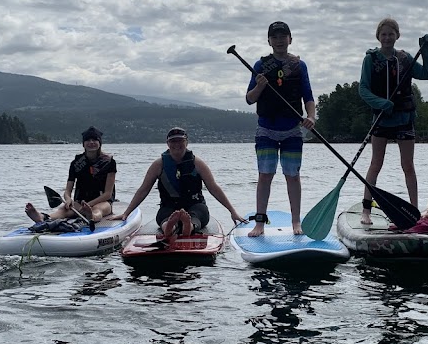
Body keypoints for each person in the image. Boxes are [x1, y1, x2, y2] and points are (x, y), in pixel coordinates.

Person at [358, 18, 428, 224]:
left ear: (397, 36)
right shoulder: (371, 59)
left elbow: (427, 74)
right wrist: (381, 103)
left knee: (408, 166)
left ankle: (414, 212)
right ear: (378, 36)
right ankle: (366, 210)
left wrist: (426, 50)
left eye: (391, 34)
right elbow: (363, 89)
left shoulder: (405, 58)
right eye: (383, 34)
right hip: (382, 119)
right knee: (376, 164)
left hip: (404, 117)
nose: (387, 38)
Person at [244, 20, 317, 236]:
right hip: (266, 128)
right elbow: (249, 99)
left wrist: (311, 117)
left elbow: (308, 96)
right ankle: (260, 222)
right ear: (269, 41)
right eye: (274, 37)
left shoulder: (299, 65)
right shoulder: (260, 66)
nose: (279, 40)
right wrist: (259, 86)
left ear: (290, 39)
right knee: (265, 175)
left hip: (292, 130)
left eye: (283, 36)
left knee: (292, 175)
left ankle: (296, 222)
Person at [119, 127, 245, 236]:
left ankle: (187, 226)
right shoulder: (159, 165)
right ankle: (169, 227)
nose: (177, 144)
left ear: (187, 142)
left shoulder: (197, 163)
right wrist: (126, 213)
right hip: (169, 206)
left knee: (199, 214)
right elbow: (143, 190)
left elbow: (213, 188)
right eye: (173, 141)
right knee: (164, 216)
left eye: (180, 141)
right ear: (167, 144)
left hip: (195, 205)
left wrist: (232, 211)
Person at [25, 126, 117, 224]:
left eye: (94, 140)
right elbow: (68, 190)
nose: (91, 142)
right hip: (80, 202)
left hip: (102, 202)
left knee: (98, 210)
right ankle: (43, 217)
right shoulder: (76, 163)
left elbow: (108, 194)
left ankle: (92, 216)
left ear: (100, 143)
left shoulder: (109, 162)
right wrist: (68, 199)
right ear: (83, 144)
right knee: (63, 209)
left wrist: (89, 205)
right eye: (87, 140)